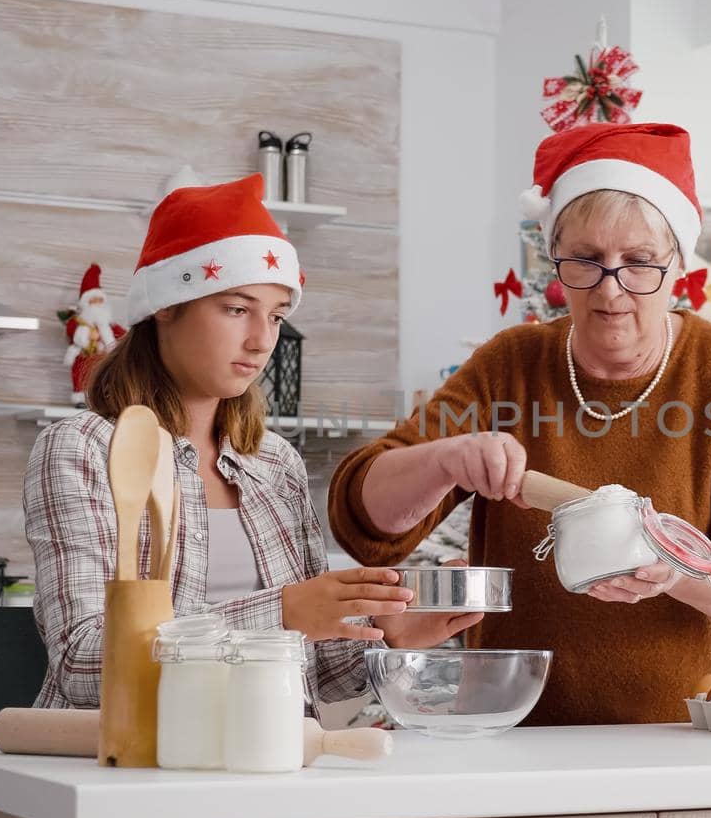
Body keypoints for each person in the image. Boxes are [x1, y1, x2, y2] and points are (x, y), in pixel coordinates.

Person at [329, 123, 711, 725]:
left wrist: (676, 569)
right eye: (586, 261)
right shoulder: (511, 365)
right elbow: (366, 520)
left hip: (686, 735)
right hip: (515, 729)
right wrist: (442, 458)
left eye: (638, 263)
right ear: (556, 260)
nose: (611, 290)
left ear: (677, 264)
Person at [24, 174, 476, 709]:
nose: (262, 340)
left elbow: (316, 674)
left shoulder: (273, 462)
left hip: (265, 758)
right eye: (237, 309)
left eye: (277, 316)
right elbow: (82, 663)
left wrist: (391, 629)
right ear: (166, 306)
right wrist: (283, 613)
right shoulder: (83, 449)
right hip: (129, 771)